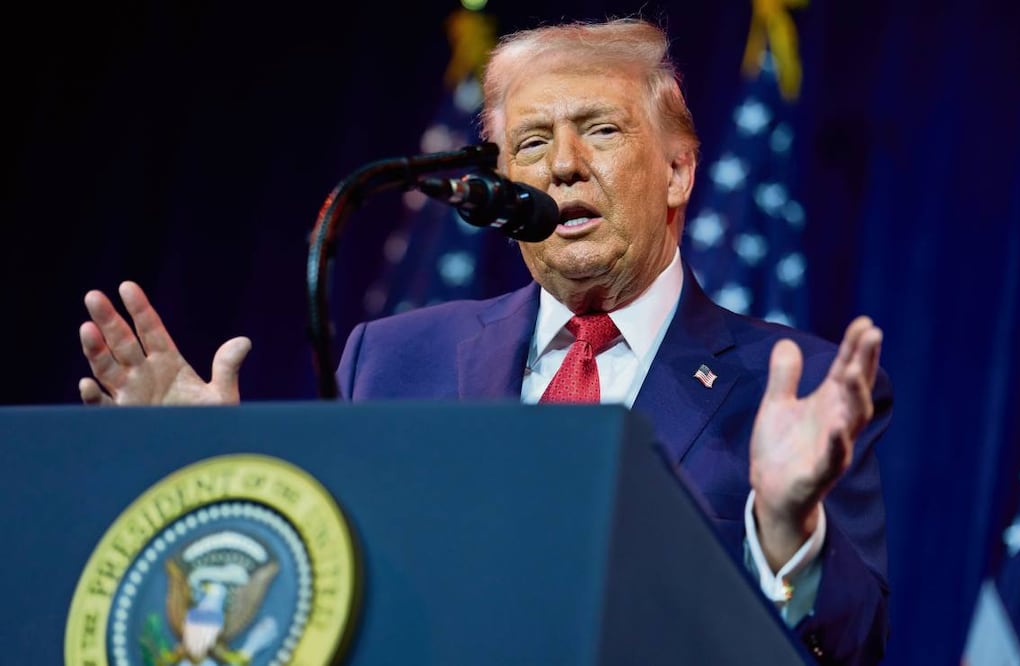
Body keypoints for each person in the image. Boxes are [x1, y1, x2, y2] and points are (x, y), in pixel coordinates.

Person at [79, 18, 891, 664]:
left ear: (678, 172)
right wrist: (223, 476)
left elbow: (852, 646)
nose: (562, 167)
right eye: (532, 144)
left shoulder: (798, 388)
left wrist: (787, 531)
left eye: (600, 131)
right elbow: (335, 592)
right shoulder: (393, 359)